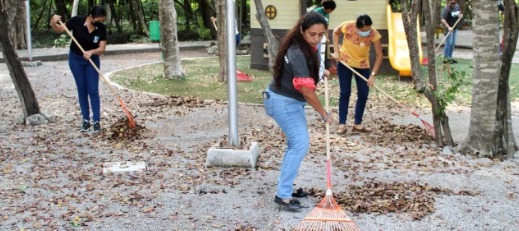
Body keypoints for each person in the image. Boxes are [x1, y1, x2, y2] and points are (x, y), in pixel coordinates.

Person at [263, 11, 333, 212]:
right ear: (302, 31)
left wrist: (323, 72)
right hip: (283, 102)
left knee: (295, 145)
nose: (317, 38)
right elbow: (306, 91)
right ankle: (283, 195)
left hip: (288, 100)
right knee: (300, 145)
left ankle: (285, 189)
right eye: (313, 34)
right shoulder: (297, 52)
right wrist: (323, 113)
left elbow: (309, 73)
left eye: (321, 34)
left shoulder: (305, 46)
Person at [50, 6, 107, 132]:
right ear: (90, 16)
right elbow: (60, 29)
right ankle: (86, 120)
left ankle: (96, 121)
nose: (100, 23)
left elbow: (102, 48)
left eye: (102, 20)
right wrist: (53, 22)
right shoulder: (76, 21)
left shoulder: (101, 28)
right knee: (82, 89)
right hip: (76, 59)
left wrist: (91, 51)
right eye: (98, 20)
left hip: (92, 60)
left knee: (93, 89)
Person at [331, 14, 383, 134]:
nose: (367, 32)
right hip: (345, 63)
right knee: (345, 92)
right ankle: (342, 124)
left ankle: (357, 124)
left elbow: (380, 55)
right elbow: (335, 32)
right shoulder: (348, 26)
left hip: (363, 65)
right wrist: (336, 51)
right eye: (363, 30)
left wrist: (373, 75)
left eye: (368, 29)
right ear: (357, 27)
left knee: (364, 93)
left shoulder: (373, 34)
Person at [313, 0, 336, 67]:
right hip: (315, 35)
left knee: (320, 52)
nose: (332, 11)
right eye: (332, 10)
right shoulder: (317, 12)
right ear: (329, 8)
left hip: (321, 35)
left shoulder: (327, 14)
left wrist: (327, 37)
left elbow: (326, 26)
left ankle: (320, 66)